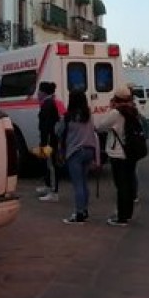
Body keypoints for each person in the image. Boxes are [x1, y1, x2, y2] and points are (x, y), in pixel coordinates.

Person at [94, 86, 141, 227]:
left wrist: (110, 108)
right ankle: (127, 214)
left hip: (118, 153)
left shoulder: (116, 113)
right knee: (128, 184)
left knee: (121, 186)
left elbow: (100, 126)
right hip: (131, 152)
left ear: (117, 99)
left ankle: (121, 218)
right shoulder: (134, 111)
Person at [57, 90, 100, 224]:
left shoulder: (68, 117)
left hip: (75, 152)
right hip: (89, 150)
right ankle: (85, 210)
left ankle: (79, 214)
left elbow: (58, 132)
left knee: (77, 184)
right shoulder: (88, 116)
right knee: (84, 182)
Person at [36, 81, 62, 202]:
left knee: (51, 165)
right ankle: (47, 186)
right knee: (46, 164)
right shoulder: (47, 103)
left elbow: (47, 125)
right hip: (47, 139)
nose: (37, 93)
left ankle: (54, 192)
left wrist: (45, 142)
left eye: (39, 91)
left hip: (49, 140)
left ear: (43, 92)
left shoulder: (48, 104)